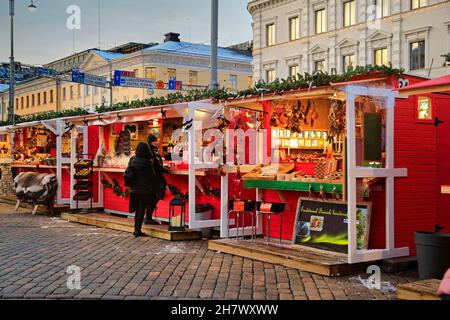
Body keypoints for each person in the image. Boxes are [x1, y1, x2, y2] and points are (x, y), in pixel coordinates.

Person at [126, 142, 156, 237]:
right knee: (141, 209)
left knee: (137, 209)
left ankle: (136, 229)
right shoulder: (148, 162)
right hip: (144, 189)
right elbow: (153, 176)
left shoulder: (132, 160)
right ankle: (137, 230)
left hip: (134, 188)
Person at [144, 134, 168, 225]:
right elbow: (156, 165)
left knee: (153, 197)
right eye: (155, 141)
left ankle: (148, 217)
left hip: (154, 178)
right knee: (154, 197)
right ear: (151, 142)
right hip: (155, 179)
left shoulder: (152, 151)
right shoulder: (151, 152)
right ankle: (148, 217)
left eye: (157, 141)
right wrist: (164, 169)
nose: (157, 142)